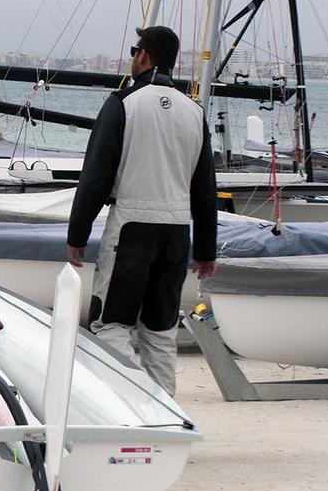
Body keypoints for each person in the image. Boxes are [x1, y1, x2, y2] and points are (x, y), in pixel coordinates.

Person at [66, 26, 217, 397]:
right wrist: (206, 251)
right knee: (160, 332)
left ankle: (125, 408)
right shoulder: (194, 112)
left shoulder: (122, 104)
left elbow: (96, 176)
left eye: (135, 51)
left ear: (143, 56)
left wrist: (77, 235)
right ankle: (165, 417)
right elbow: (205, 188)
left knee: (112, 325)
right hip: (177, 230)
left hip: (131, 226)